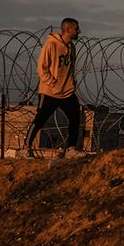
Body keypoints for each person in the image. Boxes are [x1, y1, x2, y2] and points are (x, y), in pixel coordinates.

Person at [24, 18, 83, 158]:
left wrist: (71, 83)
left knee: (75, 117)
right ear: (68, 30)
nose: (79, 31)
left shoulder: (71, 47)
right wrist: (53, 84)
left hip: (67, 91)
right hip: (50, 92)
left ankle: (71, 149)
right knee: (40, 119)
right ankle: (25, 147)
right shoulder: (51, 45)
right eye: (77, 29)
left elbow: (70, 68)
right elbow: (41, 68)